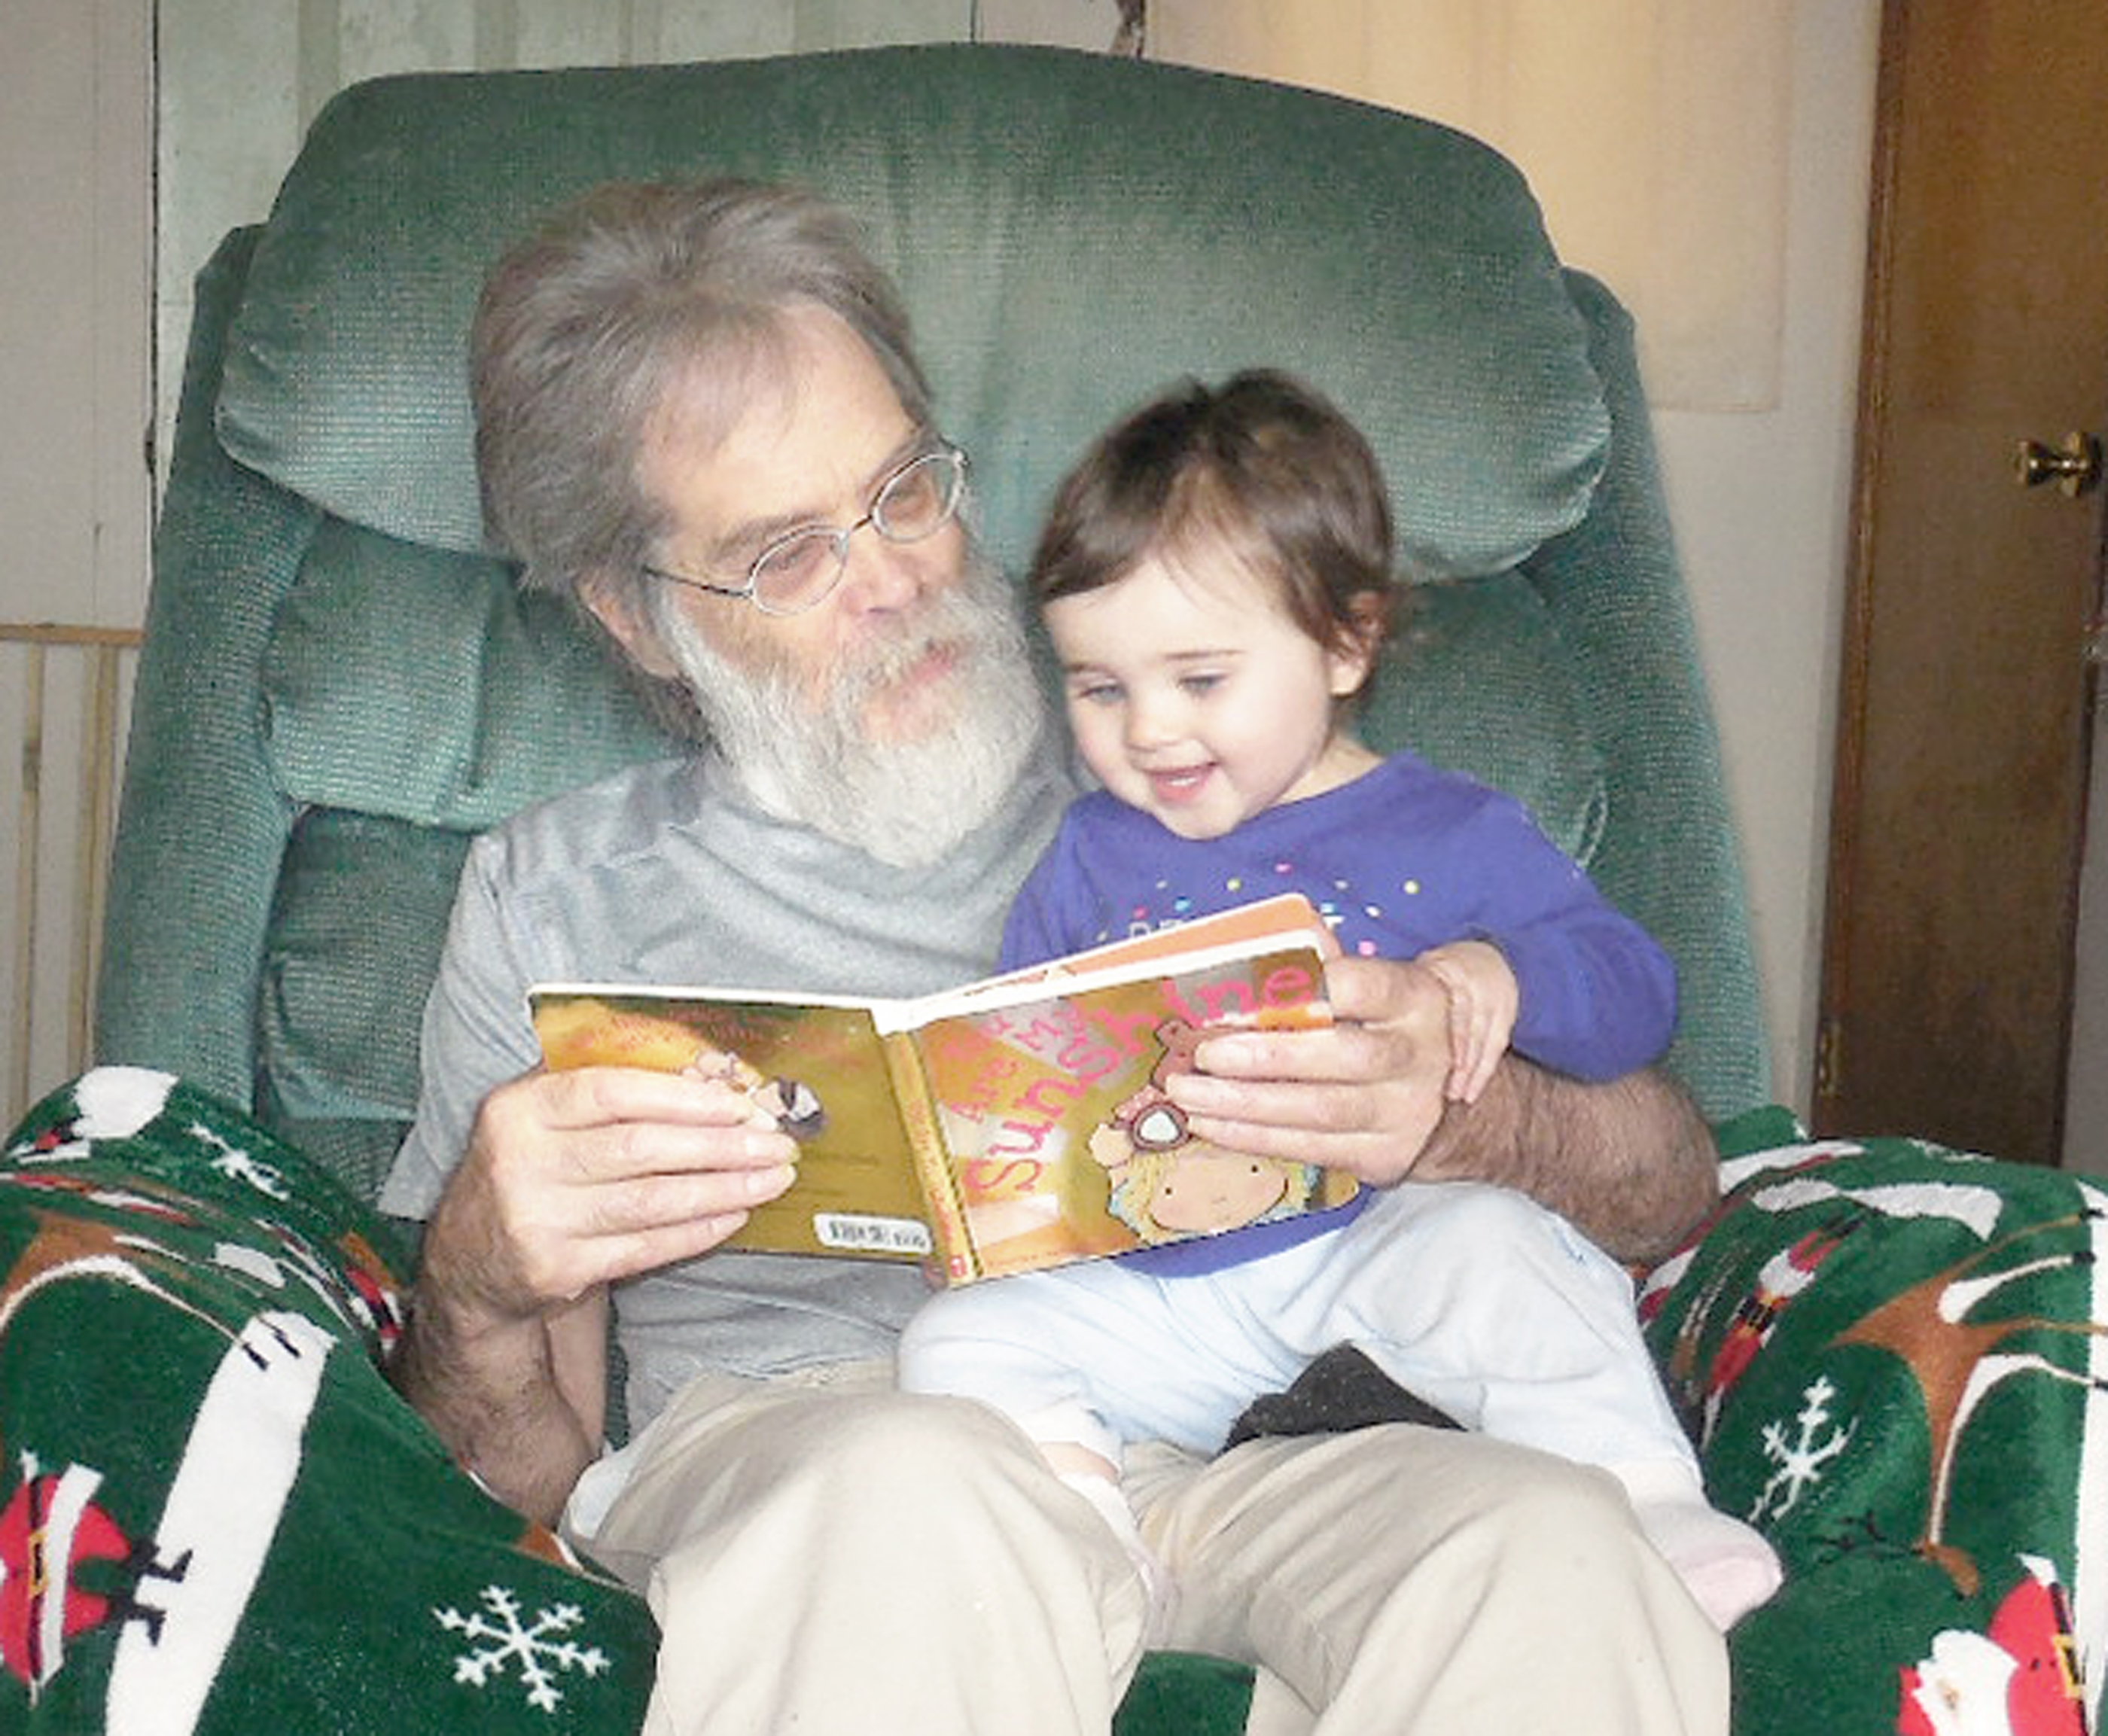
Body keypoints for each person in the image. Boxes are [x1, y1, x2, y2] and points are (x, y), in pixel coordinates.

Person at [379, 176, 1735, 1735]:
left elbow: (1668, 1188)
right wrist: (475, 1285)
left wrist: (1454, 1110)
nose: (891, 573)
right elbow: (518, 1490)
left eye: (902, 490)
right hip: (832, 1448)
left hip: (1275, 1416)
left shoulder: (1200, 727)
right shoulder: (557, 898)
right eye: (786, 554)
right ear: (636, 614)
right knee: (916, 1479)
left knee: (1551, 1551)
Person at [897, 370, 1782, 1634]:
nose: (1147, 730)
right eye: (1098, 688)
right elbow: (1014, 1063)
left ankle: (1649, 1502)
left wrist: (1507, 975)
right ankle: (1090, 1543)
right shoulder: (1088, 853)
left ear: (1345, 641)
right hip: (1158, 1292)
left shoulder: (1451, 830)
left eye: (1199, 679)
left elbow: (1639, 995)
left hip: (1373, 1260)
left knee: (1502, 1248)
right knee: (959, 1338)